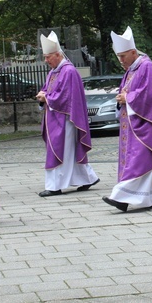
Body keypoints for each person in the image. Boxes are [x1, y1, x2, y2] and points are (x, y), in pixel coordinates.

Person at [102, 27, 152, 212]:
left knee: (139, 159)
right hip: (132, 122)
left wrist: (128, 98)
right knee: (151, 161)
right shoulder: (131, 70)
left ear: (133, 52)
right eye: (118, 56)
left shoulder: (146, 66)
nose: (120, 60)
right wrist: (121, 98)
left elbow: (150, 95)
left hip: (146, 122)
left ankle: (122, 197)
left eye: (123, 56)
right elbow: (128, 91)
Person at [35, 31, 99, 196]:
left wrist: (46, 97)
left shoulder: (68, 71)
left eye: (48, 57)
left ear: (57, 54)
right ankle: (87, 178)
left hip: (66, 118)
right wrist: (43, 95)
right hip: (55, 117)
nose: (46, 60)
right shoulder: (53, 72)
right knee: (68, 151)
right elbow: (48, 90)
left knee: (61, 150)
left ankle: (54, 186)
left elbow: (65, 97)